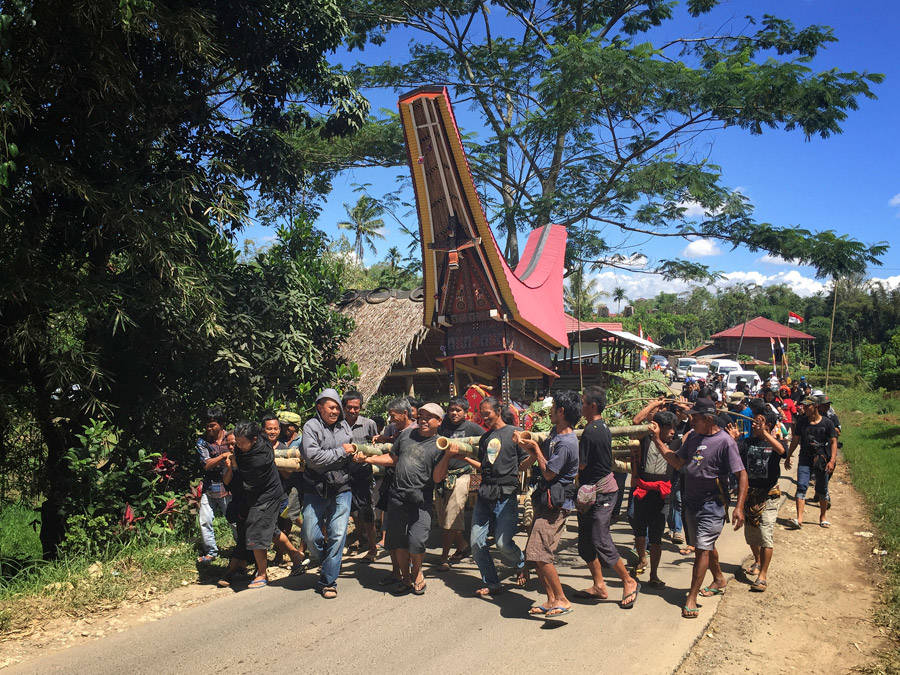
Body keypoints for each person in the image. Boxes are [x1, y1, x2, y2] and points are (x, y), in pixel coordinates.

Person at [655, 397, 747, 619]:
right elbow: (678, 462)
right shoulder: (694, 436)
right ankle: (718, 578)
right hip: (691, 501)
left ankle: (691, 597)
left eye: (694, 417)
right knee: (703, 544)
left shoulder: (725, 442)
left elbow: (741, 474)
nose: (691, 421)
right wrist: (657, 441)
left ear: (707, 419)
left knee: (702, 549)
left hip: (712, 504)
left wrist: (739, 507)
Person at [355, 403, 450, 596]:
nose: (423, 419)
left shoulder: (440, 443)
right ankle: (406, 579)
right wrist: (368, 459)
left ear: (439, 421)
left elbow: (438, 478)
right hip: (397, 496)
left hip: (420, 499)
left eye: (429, 417)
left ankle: (417, 573)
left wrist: (447, 455)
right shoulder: (406, 435)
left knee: (417, 542)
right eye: (421, 415)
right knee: (397, 542)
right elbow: (393, 458)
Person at [518, 391, 581, 619]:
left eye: (553, 407)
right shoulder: (556, 434)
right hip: (546, 501)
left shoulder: (567, 443)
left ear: (561, 411)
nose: (550, 410)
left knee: (540, 553)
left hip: (556, 504)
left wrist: (535, 451)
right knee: (534, 553)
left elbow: (548, 473)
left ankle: (562, 599)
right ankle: (551, 599)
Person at [575, 386, 640, 607]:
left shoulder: (591, 431)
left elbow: (581, 464)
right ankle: (599, 585)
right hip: (590, 493)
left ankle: (628, 581)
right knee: (584, 543)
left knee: (600, 538)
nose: (581, 406)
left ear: (592, 406)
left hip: (601, 492)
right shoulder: (601, 427)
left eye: (583, 403)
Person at [469, 397, 530, 596]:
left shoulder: (515, 433)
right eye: (482, 413)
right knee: (477, 543)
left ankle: (520, 561)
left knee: (503, 544)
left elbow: (524, 463)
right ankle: (492, 583)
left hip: (506, 495)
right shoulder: (485, 438)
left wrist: (535, 454)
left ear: (498, 410)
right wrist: (464, 458)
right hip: (485, 494)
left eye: (487, 412)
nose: (484, 417)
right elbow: (484, 467)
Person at [300, 388, 355, 599]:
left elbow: (349, 455)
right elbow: (313, 458)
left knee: (338, 534)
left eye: (337, 408)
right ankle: (328, 561)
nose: (335, 411)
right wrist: (342, 452)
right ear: (319, 407)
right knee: (310, 534)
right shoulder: (311, 426)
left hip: (342, 487)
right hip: (315, 488)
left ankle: (328, 581)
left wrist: (350, 454)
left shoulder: (344, 427)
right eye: (331, 407)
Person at [230, 421, 285, 588]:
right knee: (272, 530)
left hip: (267, 494)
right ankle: (296, 556)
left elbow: (245, 480)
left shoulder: (258, 458)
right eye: (236, 442)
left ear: (254, 440)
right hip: (257, 495)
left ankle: (262, 574)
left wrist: (233, 464)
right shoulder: (255, 442)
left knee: (255, 531)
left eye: (241, 443)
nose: (238, 446)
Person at [735, 409, 784, 592]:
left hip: (769, 495)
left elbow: (782, 451)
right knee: (751, 535)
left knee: (765, 535)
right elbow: (732, 452)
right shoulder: (747, 442)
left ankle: (762, 576)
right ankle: (757, 559)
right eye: (754, 422)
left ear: (768, 425)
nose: (754, 424)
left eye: (759, 422)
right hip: (750, 495)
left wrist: (765, 433)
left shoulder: (776, 443)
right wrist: (733, 439)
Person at [630, 410, 679, 589]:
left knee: (657, 536)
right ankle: (642, 559)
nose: (672, 431)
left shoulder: (676, 444)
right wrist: (656, 404)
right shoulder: (644, 439)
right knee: (640, 530)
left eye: (674, 427)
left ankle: (654, 574)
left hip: (662, 495)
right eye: (668, 428)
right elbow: (635, 420)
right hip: (642, 490)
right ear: (657, 427)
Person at [434, 397, 484, 570]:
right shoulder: (441, 427)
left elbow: (486, 443)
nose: (454, 413)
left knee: (451, 514)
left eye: (458, 410)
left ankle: (444, 557)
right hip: (443, 475)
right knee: (443, 516)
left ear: (466, 412)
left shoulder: (472, 428)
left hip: (463, 475)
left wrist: (472, 458)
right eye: (451, 409)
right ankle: (462, 545)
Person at [372, 397, 415, 586]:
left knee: (409, 532)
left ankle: (412, 572)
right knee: (391, 531)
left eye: (393, 416)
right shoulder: (395, 431)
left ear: (405, 413)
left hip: (409, 487)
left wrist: (368, 459)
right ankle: (397, 572)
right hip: (391, 484)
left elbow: (393, 458)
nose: (390, 420)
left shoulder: (415, 432)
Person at [785, 395, 838, 529]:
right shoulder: (802, 422)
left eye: (807, 406)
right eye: (803, 405)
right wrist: (788, 456)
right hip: (804, 459)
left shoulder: (827, 423)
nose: (804, 408)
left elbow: (833, 442)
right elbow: (795, 440)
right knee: (802, 487)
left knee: (822, 489)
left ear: (815, 407)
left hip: (821, 460)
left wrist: (832, 460)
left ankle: (823, 516)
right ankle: (799, 519)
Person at [342, 390, 380, 561]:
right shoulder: (337, 425)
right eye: (349, 408)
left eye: (356, 408)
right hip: (342, 474)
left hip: (363, 474)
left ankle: (372, 547)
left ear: (360, 407)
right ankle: (360, 537)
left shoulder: (369, 424)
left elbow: (375, 445)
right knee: (351, 511)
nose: (352, 411)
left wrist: (366, 458)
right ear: (344, 407)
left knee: (366, 511)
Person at [195, 407, 232, 564]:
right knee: (205, 520)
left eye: (213, 425)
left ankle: (242, 551)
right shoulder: (202, 442)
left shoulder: (231, 437)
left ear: (221, 424)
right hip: (210, 486)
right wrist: (223, 456)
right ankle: (211, 552)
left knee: (234, 520)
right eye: (207, 425)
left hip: (229, 485)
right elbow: (206, 464)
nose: (209, 429)